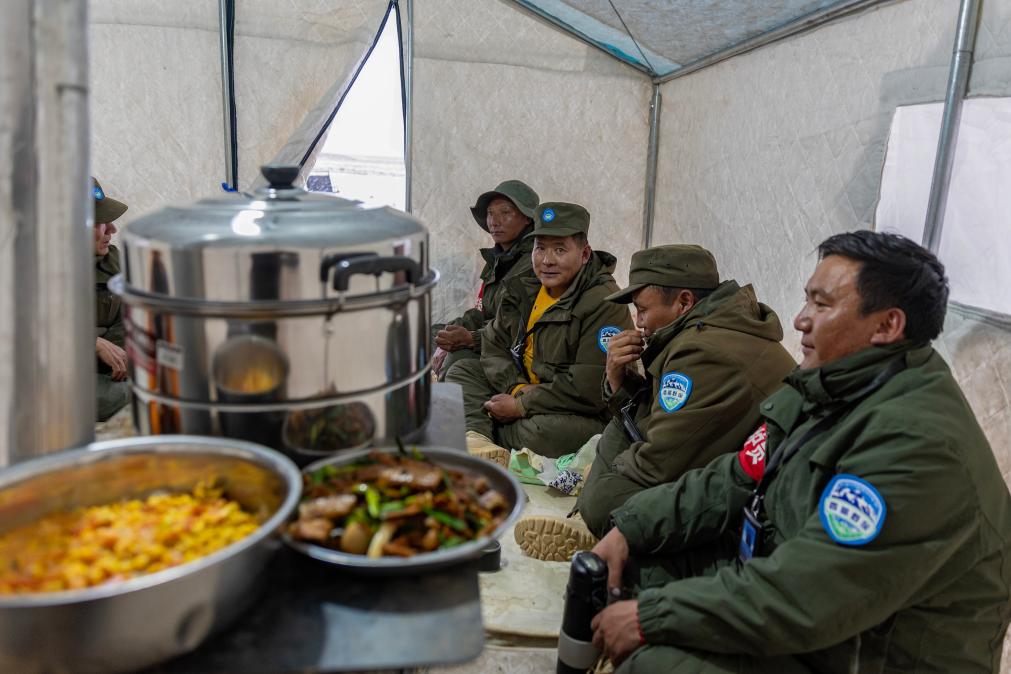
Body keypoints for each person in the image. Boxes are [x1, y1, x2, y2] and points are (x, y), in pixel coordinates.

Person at [587, 231, 1011, 673]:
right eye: (807, 300)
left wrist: (652, 618)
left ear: (887, 325)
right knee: (625, 568)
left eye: (821, 305)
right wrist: (630, 529)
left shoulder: (918, 447)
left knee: (657, 663)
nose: (800, 319)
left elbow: (812, 594)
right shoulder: (826, 387)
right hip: (800, 602)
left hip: (859, 650)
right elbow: (734, 476)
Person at [515, 245, 796, 560]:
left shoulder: (702, 351)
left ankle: (604, 529)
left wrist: (611, 475)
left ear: (684, 302)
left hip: (753, 503)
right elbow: (655, 419)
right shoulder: (704, 330)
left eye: (642, 309)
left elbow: (659, 462)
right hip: (724, 469)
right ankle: (600, 524)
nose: (638, 322)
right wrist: (617, 377)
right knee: (614, 437)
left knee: (603, 499)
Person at [446, 202, 634, 459]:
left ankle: (481, 430)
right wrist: (515, 388)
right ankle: (480, 442)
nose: (547, 260)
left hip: (576, 412)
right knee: (463, 370)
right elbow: (493, 343)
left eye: (560, 249)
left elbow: (589, 388)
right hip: (524, 390)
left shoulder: (603, 302)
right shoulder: (525, 287)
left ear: (584, 254)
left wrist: (521, 406)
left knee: (544, 432)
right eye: (540, 248)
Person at [432, 180, 539, 380]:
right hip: (491, 339)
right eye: (490, 213)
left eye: (505, 212)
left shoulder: (534, 263)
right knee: (428, 336)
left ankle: (446, 400)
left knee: (456, 359)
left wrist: (471, 339)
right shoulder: (498, 259)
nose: (494, 221)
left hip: (515, 353)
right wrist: (448, 332)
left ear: (527, 218)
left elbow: (515, 330)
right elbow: (483, 313)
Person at [93, 177, 130, 421]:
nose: (112, 229)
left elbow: (129, 317)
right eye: (100, 222)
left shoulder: (111, 261)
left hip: (104, 371)